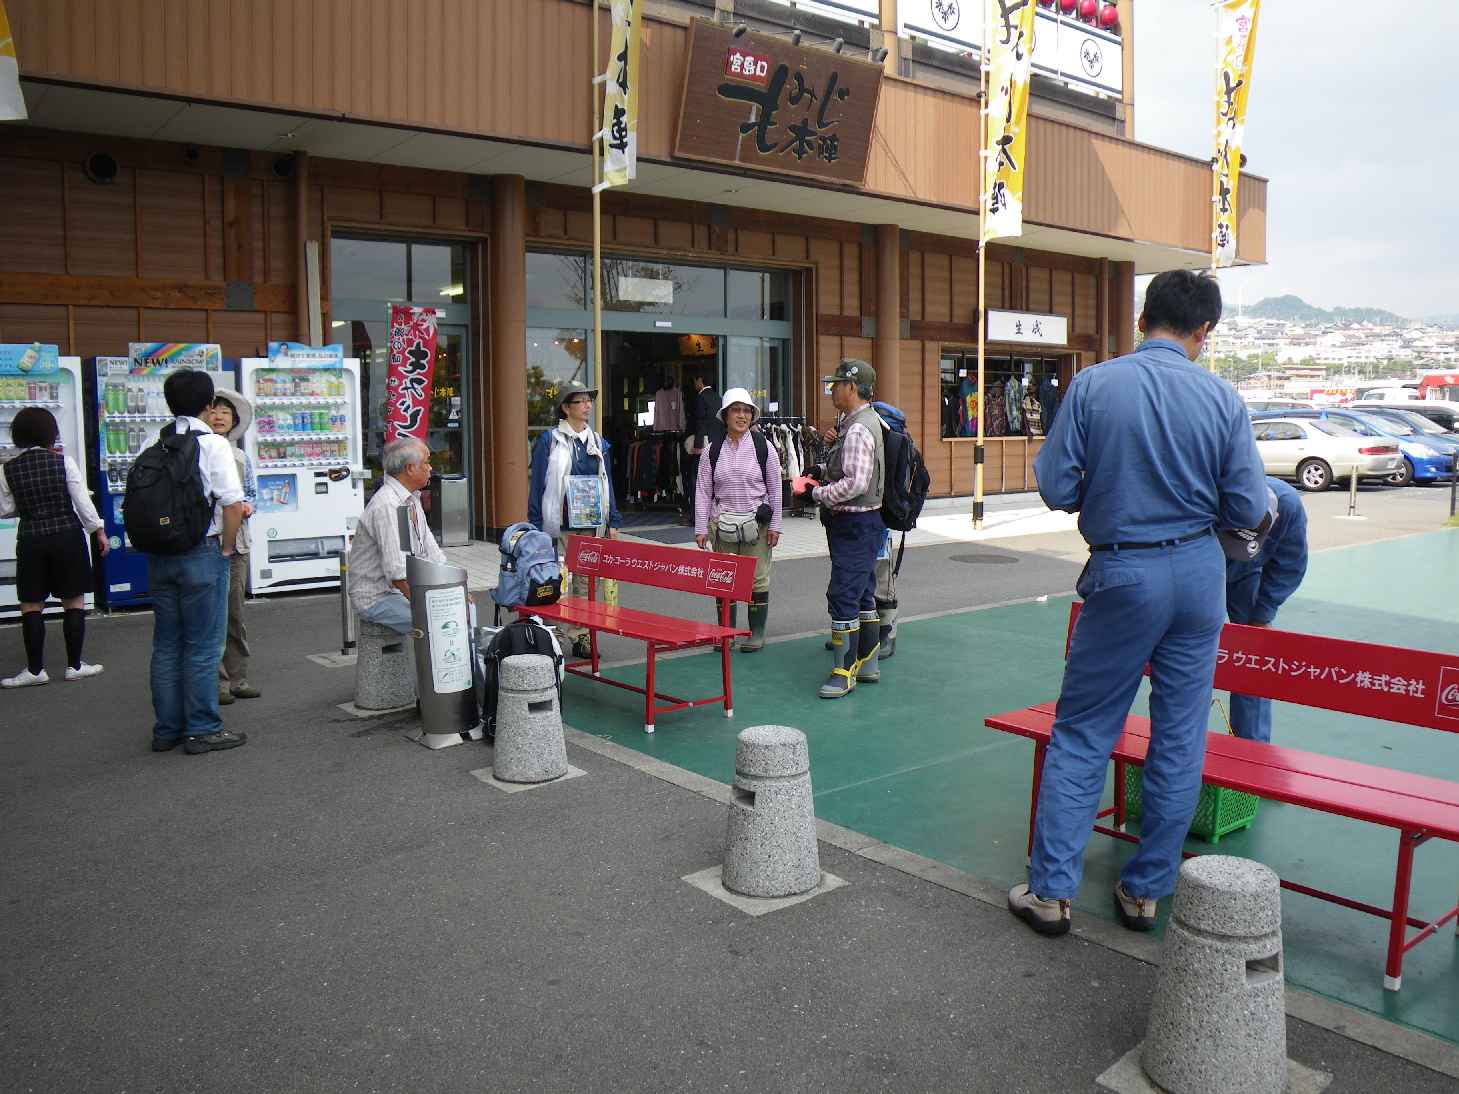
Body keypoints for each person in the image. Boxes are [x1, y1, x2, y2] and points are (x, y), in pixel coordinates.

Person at [1007, 270, 1268, 937]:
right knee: (1179, 737)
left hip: (1124, 571)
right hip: (1198, 576)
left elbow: (1057, 488)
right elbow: (1245, 507)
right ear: (1203, 331)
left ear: (1142, 317)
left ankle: (1051, 893)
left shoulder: (1095, 384)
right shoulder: (1221, 398)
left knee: (1085, 728)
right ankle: (1144, 890)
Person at [147, 369, 247, 755]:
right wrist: (225, 548)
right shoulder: (212, 445)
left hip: (161, 554)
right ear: (207, 405)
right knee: (204, 646)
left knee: (167, 645)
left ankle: (167, 729)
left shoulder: (154, 440)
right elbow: (233, 504)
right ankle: (203, 728)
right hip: (202, 552)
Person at [796, 359, 886, 700]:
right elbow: (850, 469)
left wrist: (815, 492)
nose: (832, 390)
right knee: (863, 591)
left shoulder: (859, 427)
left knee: (843, 594)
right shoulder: (859, 423)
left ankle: (843, 670)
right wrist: (822, 467)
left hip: (854, 523)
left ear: (852, 387)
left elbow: (856, 482)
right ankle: (868, 663)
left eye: (836, 385)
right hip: (863, 523)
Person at [0, 407, 109, 687]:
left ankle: (35, 671)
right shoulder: (64, 462)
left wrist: (30, 507)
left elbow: (6, 509)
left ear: (17, 436)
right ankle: (74, 665)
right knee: (73, 600)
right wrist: (98, 530)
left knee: (31, 604)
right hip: (67, 535)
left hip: (31, 537)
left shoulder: (7, 468)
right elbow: (82, 501)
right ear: (51, 434)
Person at [527, 380, 622, 659]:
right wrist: (535, 524)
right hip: (560, 524)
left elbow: (608, 482)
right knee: (557, 579)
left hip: (592, 523)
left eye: (588, 400)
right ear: (565, 408)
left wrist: (613, 519)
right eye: (580, 401)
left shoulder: (597, 441)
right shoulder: (549, 440)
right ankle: (553, 634)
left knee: (585, 581)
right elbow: (538, 485)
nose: (587, 405)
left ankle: (581, 635)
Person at [694, 387, 782, 652]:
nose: (742, 416)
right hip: (722, 525)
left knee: (757, 579)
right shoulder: (712, 450)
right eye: (736, 410)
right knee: (723, 579)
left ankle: (756, 633)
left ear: (752, 416)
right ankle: (726, 634)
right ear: (725, 415)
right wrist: (701, 528)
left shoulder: (763, 447)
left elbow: (776, 488)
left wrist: (775, 525)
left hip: (757, 523)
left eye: (747, 411)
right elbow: (703, 490)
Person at [1222, 477, 1307, 742]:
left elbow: (1289, 565)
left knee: (1253, 656)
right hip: (1199, 564)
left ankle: (1251, 747)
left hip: (1247, 574)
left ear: (1275, 518)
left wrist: (1263, 615)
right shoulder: (1210, 493)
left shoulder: (1289, 506)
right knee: (1186, 652)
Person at [348, 437, 447, 635]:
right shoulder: (387, 505)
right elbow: (398, 573)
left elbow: (432, 552)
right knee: (442, 622)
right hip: (377, 597)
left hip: (398, 591)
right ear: (410, 468)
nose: (430, 468)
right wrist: (429, 605)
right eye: (426, 462)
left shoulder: (411, 499)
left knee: (457, 612)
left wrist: (453, 589)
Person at [206, 391, 260, 705]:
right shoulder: (199, 450)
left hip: (238, 543)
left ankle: (238, 677)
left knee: (235, 613)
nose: (220, 417)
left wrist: (249, 506)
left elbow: (251, 493)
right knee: (212, 615)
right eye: (215, 411)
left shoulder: (240, 456)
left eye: (226, 413)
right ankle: (218, 683)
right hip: (208, 543)